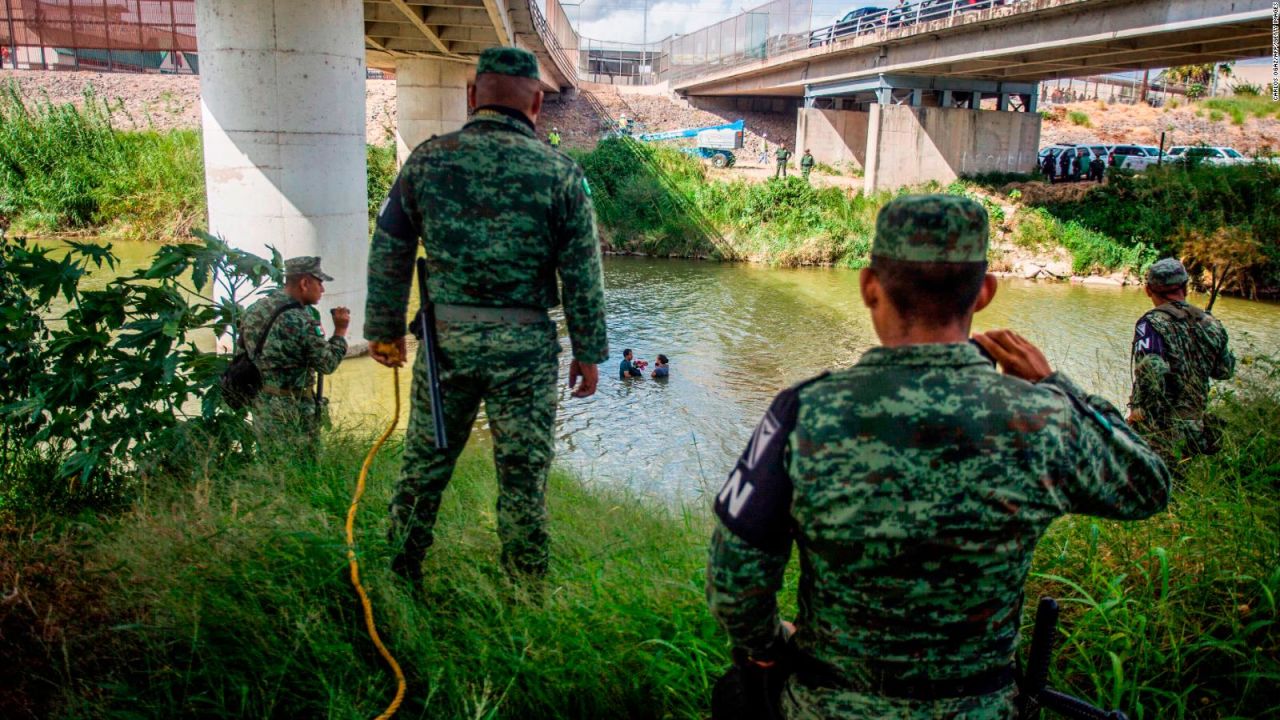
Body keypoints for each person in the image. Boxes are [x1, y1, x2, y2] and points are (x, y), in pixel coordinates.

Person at [706, 194, 1169, 720]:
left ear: (868, 287)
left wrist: (770, 647)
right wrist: (1054, 384)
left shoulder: (805, 411)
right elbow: (1147, 485)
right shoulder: (1043, 419)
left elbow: (735, 583)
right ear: (986, 292)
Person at [364, 46, 608, 584]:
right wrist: (590, 352)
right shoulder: (561, 174)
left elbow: (390, 248)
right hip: (525, 351)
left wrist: (383, 331)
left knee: (423, 470)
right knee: (523, 481)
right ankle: (524, 597)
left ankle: (398, 581)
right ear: (538, 106)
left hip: (445, 341)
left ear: (472, 96)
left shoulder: (427, 160)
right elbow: (583, 273)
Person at [1129, 257, 1235, 461]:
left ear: (1148, 290)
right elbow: (1224, 372)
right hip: (1197, 428)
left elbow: (1152, 369)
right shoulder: (1211, 324)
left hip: (1160, 430)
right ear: (1186, 288)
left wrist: (1138, 409)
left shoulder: (1151, 323)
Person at [237, 256, 349, 446]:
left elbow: (242, 350)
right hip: (293, 409)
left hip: (262, 404)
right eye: (319, 283)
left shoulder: (254, 309)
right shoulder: (300, 320)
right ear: (305, 283)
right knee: (303, 468)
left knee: (270, 464)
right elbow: (327, 364)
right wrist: (340, 331)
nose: (322, 290)